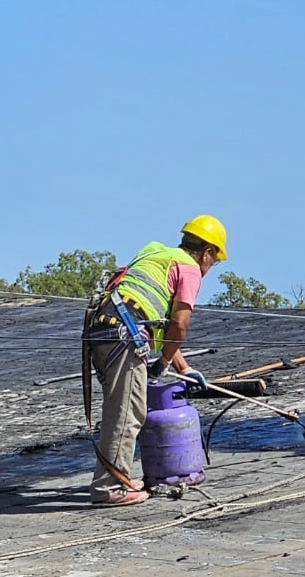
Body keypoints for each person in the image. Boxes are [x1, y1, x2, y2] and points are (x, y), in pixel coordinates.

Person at [82, 215, 227, 507]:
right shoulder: (190, 268)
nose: (211, 267)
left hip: (104, 326)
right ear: (207, 252)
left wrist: (183, 368)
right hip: (123, 333)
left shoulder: (155, 252)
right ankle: (109, 488)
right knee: (127, 412)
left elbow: (157, 327)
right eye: (215, 261)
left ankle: (117, 477)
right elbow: (179, 325)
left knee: (123, 407)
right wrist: (162, 363)